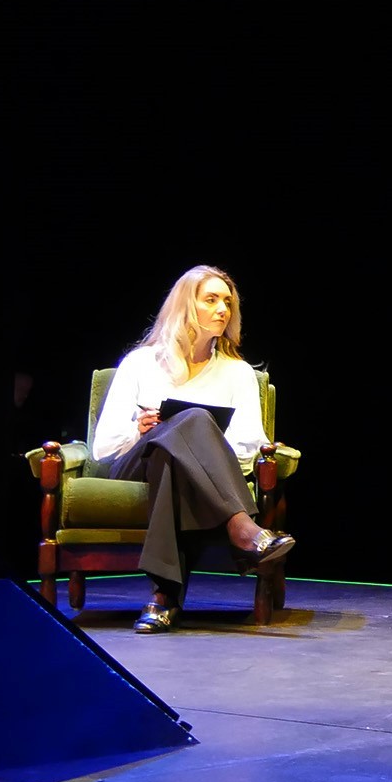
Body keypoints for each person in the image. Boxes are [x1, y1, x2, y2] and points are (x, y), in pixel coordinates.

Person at [93, 266, 295, 633]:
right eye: (211, 300)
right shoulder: (141, 363)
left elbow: (249, 444)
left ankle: (163, 598)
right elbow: (103, 446)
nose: (223, 310)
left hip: (174, 470)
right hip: (133, 464)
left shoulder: (237, 372)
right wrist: (139, 430)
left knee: (174, 453)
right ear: (187, 306)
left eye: (228, 302)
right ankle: (243, 528)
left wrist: (198, 449)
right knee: (192, 421)